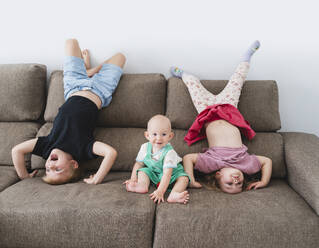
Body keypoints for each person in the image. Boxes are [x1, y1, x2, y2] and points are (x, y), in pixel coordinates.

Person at [11, 39, 126, 185]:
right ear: (74, 164)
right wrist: (97, 178)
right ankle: (91, 71)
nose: (50, 166)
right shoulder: (83, 149)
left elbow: (16, 151)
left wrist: (24, 176)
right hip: (100, 89)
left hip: (74, 86)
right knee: (120, 56)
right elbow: (111, 153)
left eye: (47, 170)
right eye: (57, 170)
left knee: (71, 42)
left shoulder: (46, 146)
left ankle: (88, 71)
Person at [170, 41, 272, 194]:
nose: (236, 182)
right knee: (237, 81)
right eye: (239, 185)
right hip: (229, 110)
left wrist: (191, 180)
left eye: (229, 183)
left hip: (207, 112)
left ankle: (184, 75)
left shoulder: (211, 164)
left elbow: (188, 158)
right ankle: (246, 58)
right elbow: (267, 161)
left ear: (218, 175)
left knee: (193, 84)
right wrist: (264, 181)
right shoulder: (247, 165)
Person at [124, 115, 190, 204]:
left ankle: (174, 193)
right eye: (154, 134)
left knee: (184, 179)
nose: (159, 138)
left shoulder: (170, 153)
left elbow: (167, 174)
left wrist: (160, 192)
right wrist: (133, 179)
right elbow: (139, 164)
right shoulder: (144, 147)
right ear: (147, 135)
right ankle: (142, 185)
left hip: (172, 174)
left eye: (164, 134)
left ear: (170, 136)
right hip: (156, 174)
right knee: (142, 170)